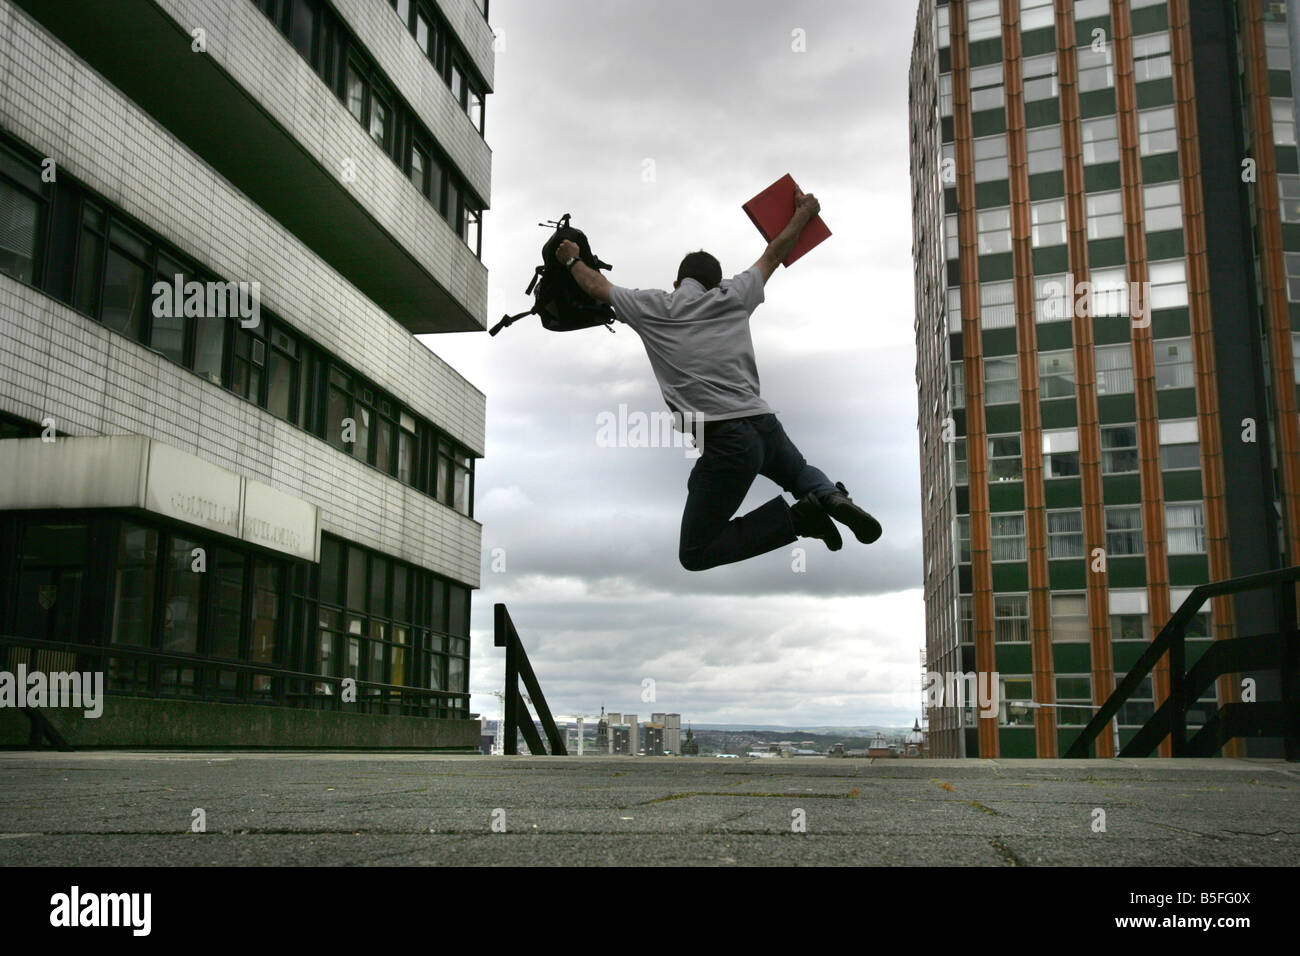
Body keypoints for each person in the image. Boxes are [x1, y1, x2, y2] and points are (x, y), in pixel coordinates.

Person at [554, 188, 881, 571]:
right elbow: (775, 252)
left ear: (677, 283)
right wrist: (804, 213)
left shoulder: (653, 306)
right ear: (716, 282)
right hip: (763, 423)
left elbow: (596, 286)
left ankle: (800, 518)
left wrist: (571, 259)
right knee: (797, 472)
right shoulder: (735, 295)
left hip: (727, 441)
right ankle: (831, 497)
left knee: (695, 552)